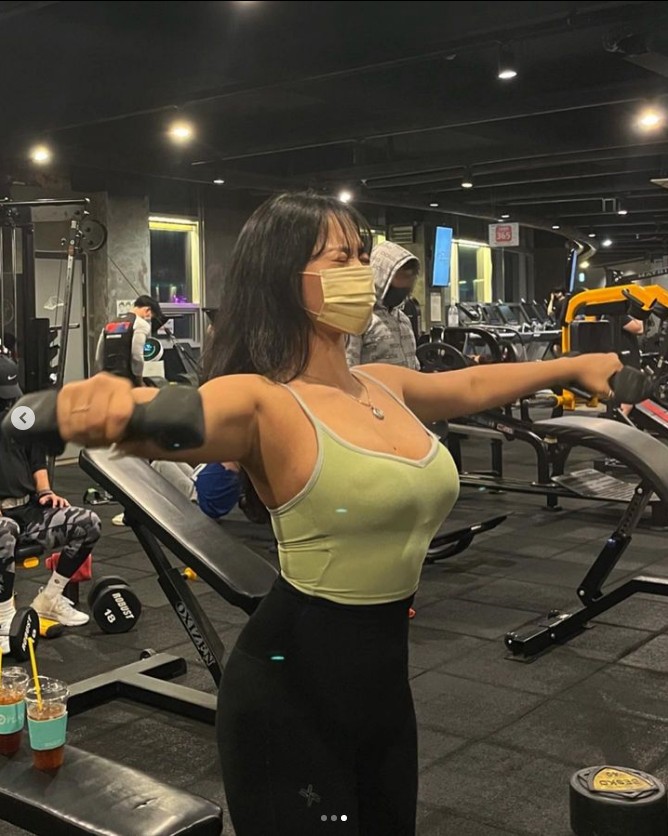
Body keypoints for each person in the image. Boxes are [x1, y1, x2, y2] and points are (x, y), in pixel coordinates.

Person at [52, 192, 622, 836]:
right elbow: (170, 420)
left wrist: (574, 364)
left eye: (360, 253)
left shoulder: (383, 384)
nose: (361, 271)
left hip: (384, 687)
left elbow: (467, 385)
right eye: (340, 257)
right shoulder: (261, 399)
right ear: (285, 276)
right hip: (289, 692)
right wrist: (102, 412)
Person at [0, 356, 100, 651]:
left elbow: (37, 460)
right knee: (4, 531)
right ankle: (4, 619)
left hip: (27, 509)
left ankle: (49, 599)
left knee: (87, 524)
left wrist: (45, 491)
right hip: (3, 521)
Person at [346, 240, 420, 370]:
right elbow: (348, 369)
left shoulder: (403, 320)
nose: (405, 285)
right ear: (383, 276)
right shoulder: (359, 320)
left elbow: (414, 366)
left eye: (409, 277)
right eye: (401, 276)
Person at [94, 295, 164, 386]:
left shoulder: (111, 324)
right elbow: (136, 355)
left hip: (108, 380)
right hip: (127, 380)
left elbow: (98, 356)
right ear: (148, 310)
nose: (148, 319)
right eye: (150, 316)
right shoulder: (141, 324)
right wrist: (139, 380)